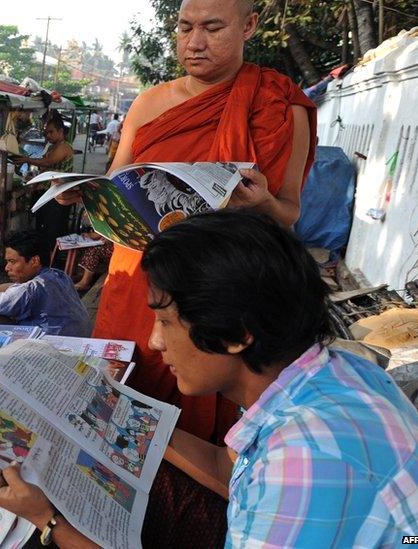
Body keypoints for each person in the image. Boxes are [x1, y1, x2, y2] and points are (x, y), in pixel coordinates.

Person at [0, 210, 418, 548]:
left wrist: (50, 522)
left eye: (165, 322)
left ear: (236, 334)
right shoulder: (329, 371)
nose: (152, 342)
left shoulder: (304, 464)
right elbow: (230, 470)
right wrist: (109, 408)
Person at [58, 0, 317, 442]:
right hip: (139, 278)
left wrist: (262, 204)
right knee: (119, 404)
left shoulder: (278, 105)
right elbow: (117, 180)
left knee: (202, 418)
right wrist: (87, 191)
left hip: (218, 288)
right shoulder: (149, 103)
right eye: (184, 28)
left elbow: (289, 210)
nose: (194, 43)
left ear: (249, 25)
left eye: (213, 28)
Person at [0, 230, 90, 337]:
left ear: (34, 260)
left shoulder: (27, 290)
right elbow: (11, 288)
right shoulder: (58, 275)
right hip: (80, 337)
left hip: (51, 348)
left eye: (12, 261)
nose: (7, 268)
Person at [13, 110, 75, 250]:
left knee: (53, 229)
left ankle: (51, 258)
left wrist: (27, 159)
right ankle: (44, 255)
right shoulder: (53, 146)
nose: (48, 135)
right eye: (46, 133)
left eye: (51, 132)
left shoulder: (64, 147)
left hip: (58, 194)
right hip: (48, 192)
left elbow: (47, 162)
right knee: (43, 226)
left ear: (60, 131)